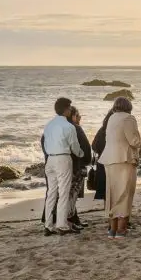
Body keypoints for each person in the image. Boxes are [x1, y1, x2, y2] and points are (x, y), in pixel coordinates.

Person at [98, 96, 141, 239]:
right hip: (124, 159)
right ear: (128, 106)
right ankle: (121, 229)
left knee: (112, 193)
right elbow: (134, 141)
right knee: (124, 193)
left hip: (109, 159)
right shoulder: (128, 118)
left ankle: (112, 229)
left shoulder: (111, 118)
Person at [41, 97, 84, 235]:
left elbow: (46, 144)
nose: (71, 110)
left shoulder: (49, 125)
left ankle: (48, 225)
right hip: (63, 159)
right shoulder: (69, 127)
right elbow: (75, 147)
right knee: (64, 193)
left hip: (50, 159)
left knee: (51, 193)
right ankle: (62, 224)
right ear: (66, 110)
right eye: (70, 108)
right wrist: (81, 154)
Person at [90, 109, 113, 202]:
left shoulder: (102, 129)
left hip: (102, 162)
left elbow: (94, 146)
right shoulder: (115, 130)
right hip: (113, 162)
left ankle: (107, 211)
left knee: (105, 191)